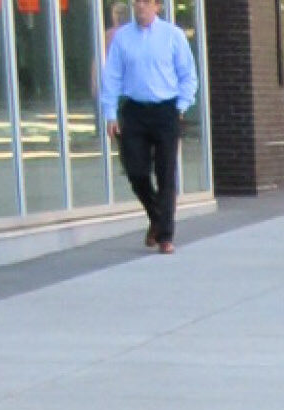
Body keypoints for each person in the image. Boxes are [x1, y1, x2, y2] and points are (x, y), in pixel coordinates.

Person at [97, 0, 197, 254]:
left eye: (145, 2)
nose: (140, 7)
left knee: (166, 173)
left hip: (166, 109)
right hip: (135, 110)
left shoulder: (172, 36)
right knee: (136, 171)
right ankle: (156, 215)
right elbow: (112, 76)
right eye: (137, 2)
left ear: (157, 6)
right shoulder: (123, 39)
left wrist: (181, 106)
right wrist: (110, 113)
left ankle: (165, 236)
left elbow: (187, 75)